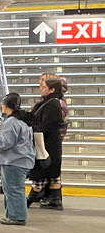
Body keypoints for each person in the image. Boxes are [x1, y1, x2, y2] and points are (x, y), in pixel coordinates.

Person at [0, 92, 36, 226]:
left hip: (13, 161)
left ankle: (17, 216)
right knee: (14, 188)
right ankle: (13, 214)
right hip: (22, 160)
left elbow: (4, 143)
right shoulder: (22, 121)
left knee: (13, 189)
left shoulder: (11, 122)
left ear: (4, 106)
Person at [28, 74, 69, 209]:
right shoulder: (51, 102)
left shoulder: (52, 104)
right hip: (51, 143)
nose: (41, 88)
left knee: (41, 173)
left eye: (44, 86)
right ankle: (55, 200)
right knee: (53, 174)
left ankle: (28, 200)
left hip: (47, 143)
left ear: (52, 89)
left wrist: (32, 129)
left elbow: (46, 124)